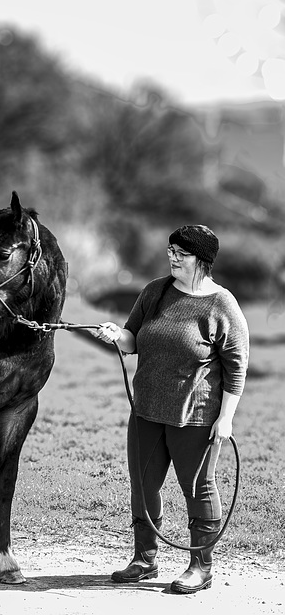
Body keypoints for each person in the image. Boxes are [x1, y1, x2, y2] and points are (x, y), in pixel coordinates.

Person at [96, 224, 249, 594]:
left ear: (203, 260)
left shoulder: (221, 304)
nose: (172, 257)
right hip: (146, 411)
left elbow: (237, 366)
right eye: (170, 250)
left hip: (195, 416)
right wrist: (118, 334)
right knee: (143, 487)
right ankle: (144, 560)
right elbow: (133, 340)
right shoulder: (155, 292)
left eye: (181, 253)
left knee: (198, 488)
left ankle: (201, 566)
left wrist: (225, 417)